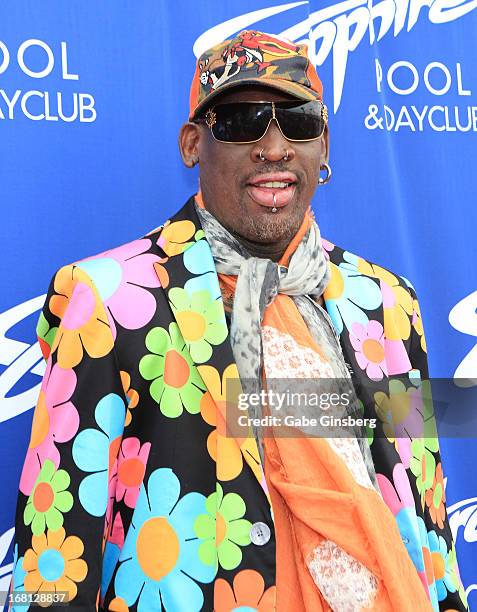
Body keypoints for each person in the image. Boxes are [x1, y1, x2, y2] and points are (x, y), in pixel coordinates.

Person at [10, 30, 466, 611]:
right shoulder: (106, 300)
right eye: (242, 120)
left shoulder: (387, 303)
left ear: (323, 145)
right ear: (193, 143)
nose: (273, 147)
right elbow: (51, 552)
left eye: (297, 120)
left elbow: (425, 519)